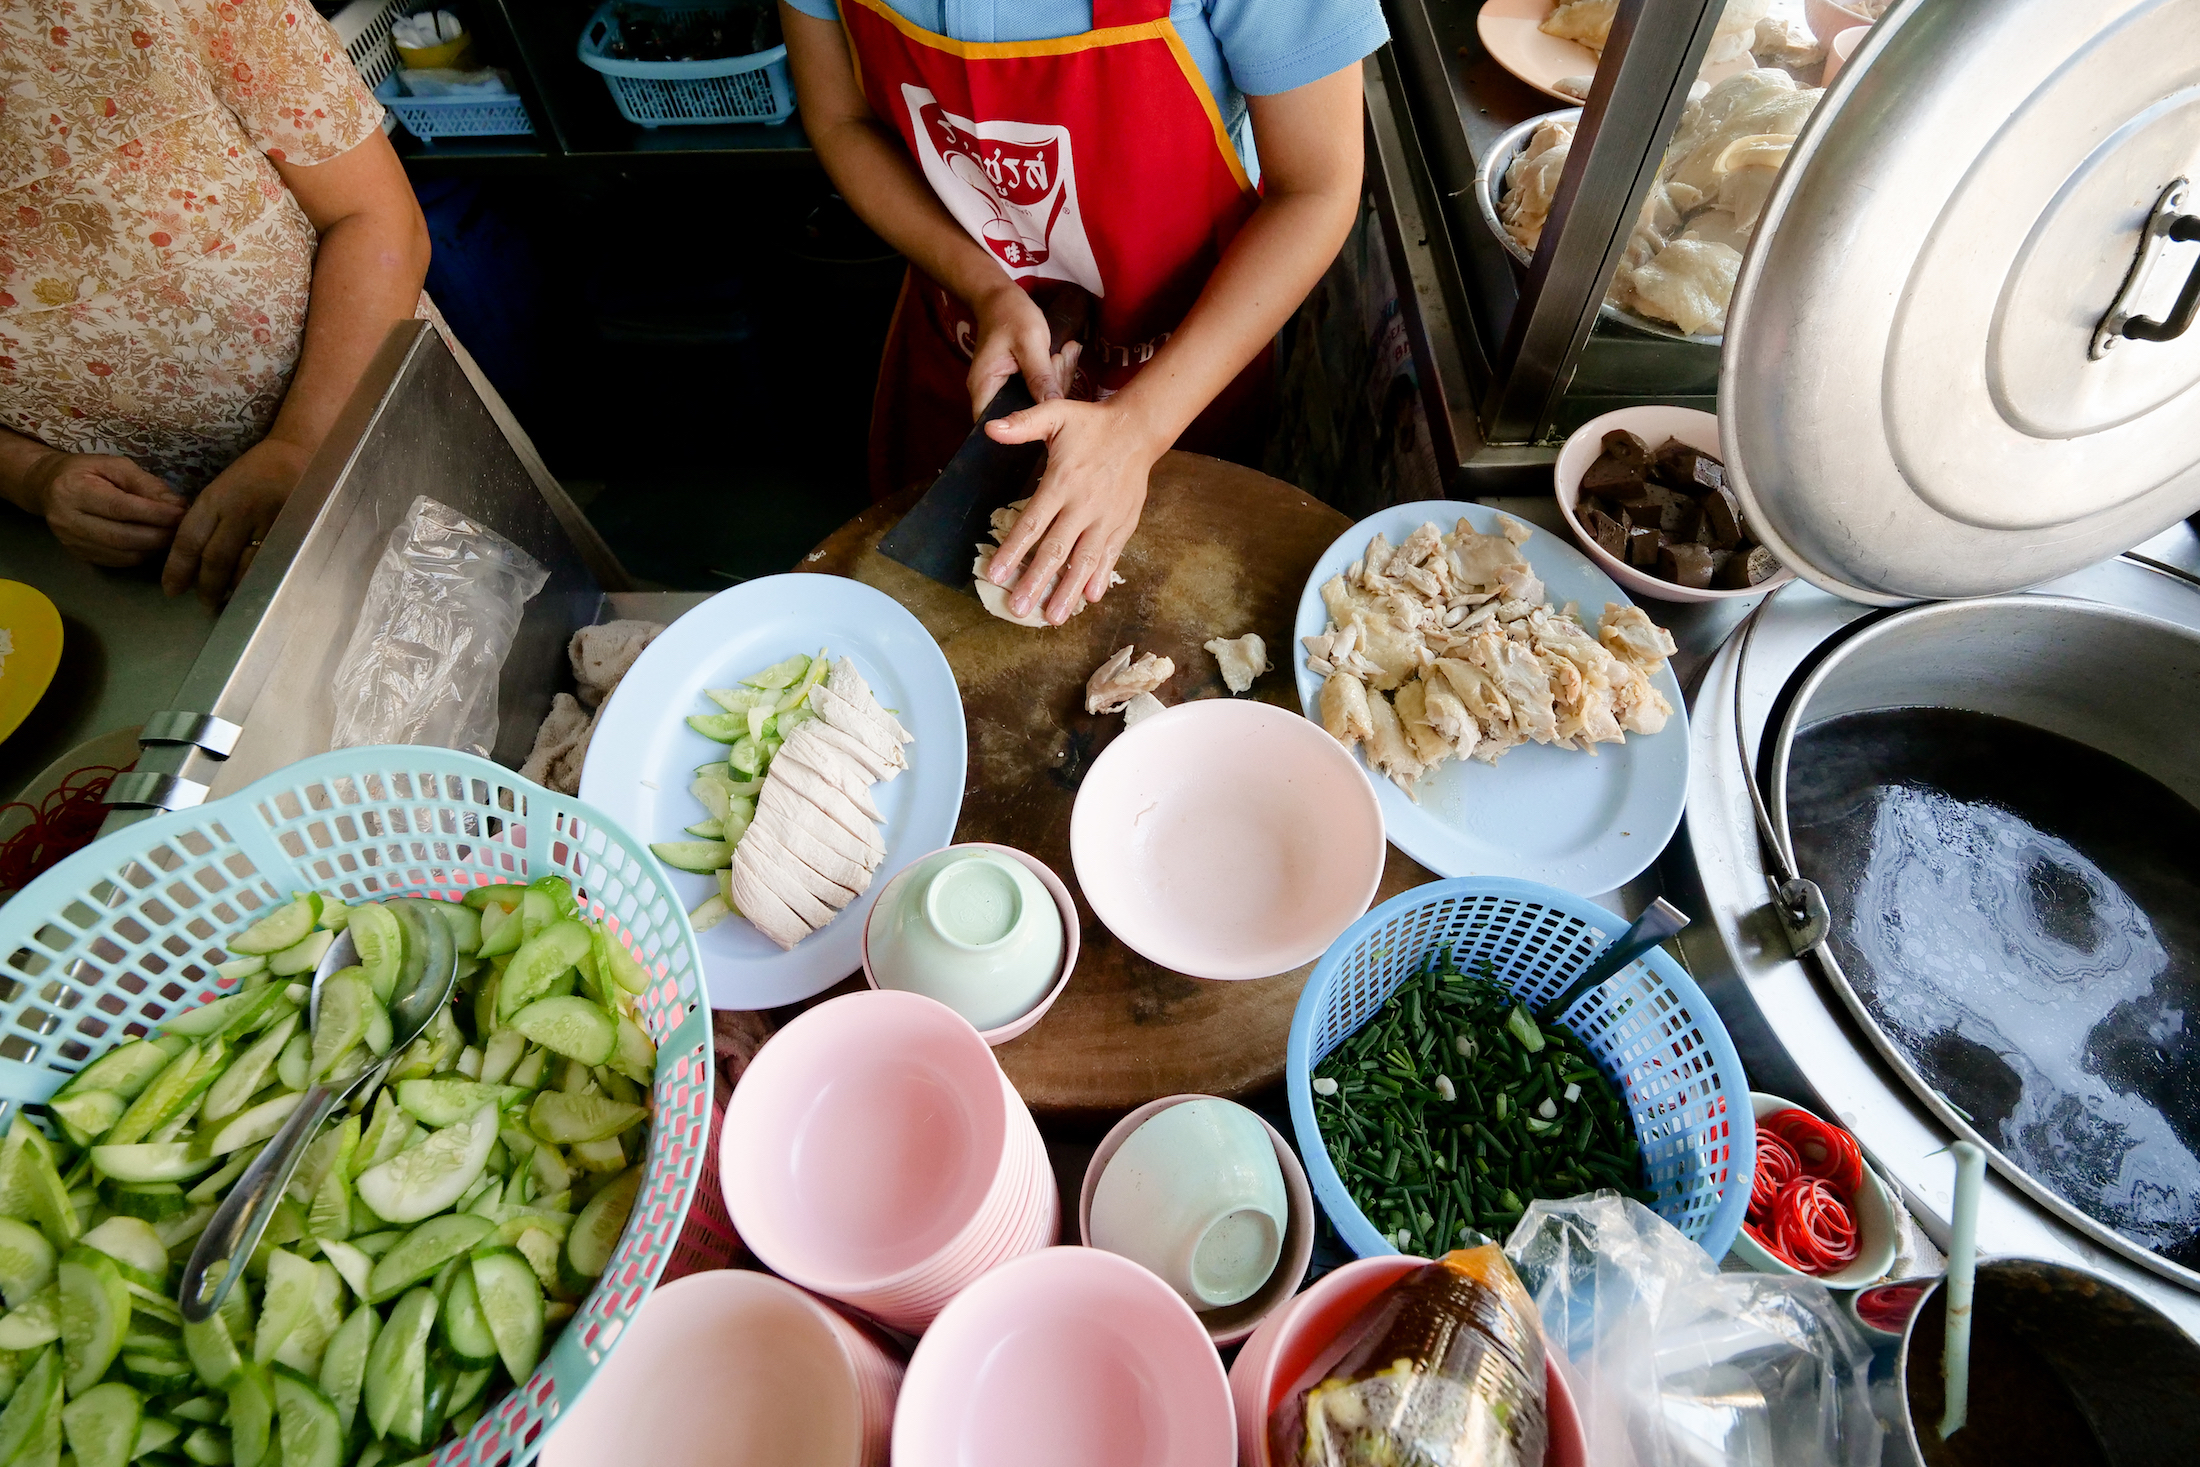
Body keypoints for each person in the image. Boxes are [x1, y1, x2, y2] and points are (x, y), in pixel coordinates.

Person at [781, 0, 1386, 624]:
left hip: (1186, 360)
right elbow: (841, 120)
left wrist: (1140, 428)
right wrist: (984, 286)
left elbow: (1317, 185)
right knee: (932, 610)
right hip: (964, 335)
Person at [0, 0, 431, 607]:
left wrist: (300, 445)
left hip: (359, 416)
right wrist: (31, 476)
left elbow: (378, 218)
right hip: (106, 551)